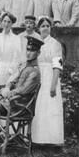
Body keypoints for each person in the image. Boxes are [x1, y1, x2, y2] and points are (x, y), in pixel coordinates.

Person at [31, 16, 64, 146]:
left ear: (50, 28)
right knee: (40, 108)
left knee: (50, 107)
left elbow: (58, 66)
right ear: (38, 29)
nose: (45, 28)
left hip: (51, 77)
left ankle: (53, 140)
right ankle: (39, 140)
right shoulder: (37, 43)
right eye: (42, 26)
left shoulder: (55, 44)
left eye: (47, 26)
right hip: (40, 77)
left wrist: (53, 85)